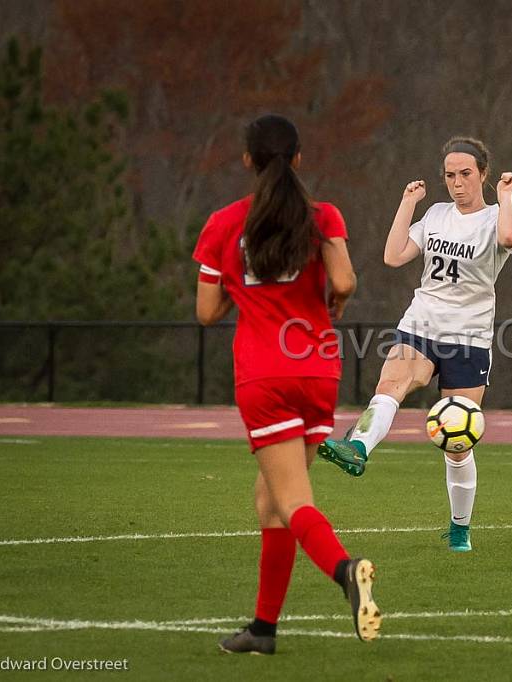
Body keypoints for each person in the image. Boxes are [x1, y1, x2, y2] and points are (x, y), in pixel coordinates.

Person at [192, 114, 381, 654]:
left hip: (265, 372)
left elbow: (206, 313)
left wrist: (239, 287)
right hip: (318, 366)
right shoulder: (322, 215)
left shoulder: (226, 223)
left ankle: (345, 570)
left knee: (292, 498)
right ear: (299, 159)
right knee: (269, 499)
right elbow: (344, 280)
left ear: (248, 161)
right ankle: (263, 630)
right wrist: (333, 296)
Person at [319, 136, 512, 553]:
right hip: (421, 325)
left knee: (457, 442)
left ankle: (460, 528)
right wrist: (407, 203)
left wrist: (505, 197)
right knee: (390, 384)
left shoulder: (494, 219)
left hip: (468, 339)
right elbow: (394, 256)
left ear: (483, 174)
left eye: (466, 174)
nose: (457, 183)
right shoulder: (435, 214)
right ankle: (357, 447)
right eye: (450, 175)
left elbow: (509, 238)